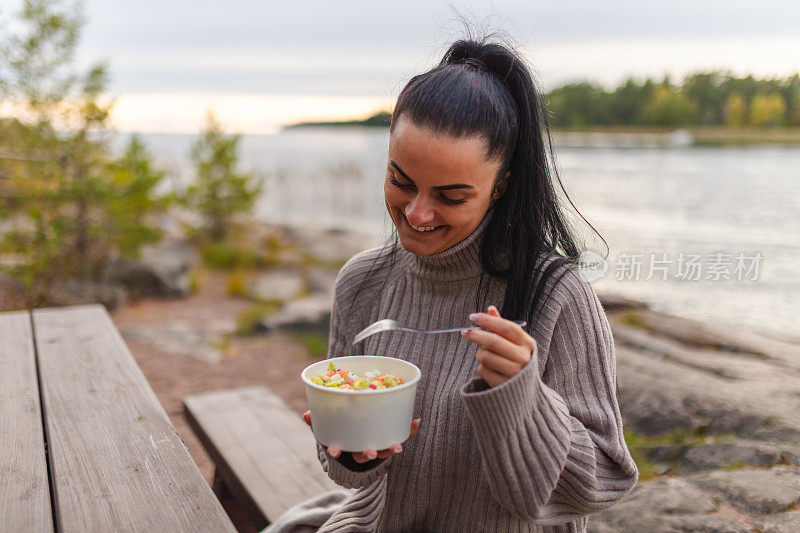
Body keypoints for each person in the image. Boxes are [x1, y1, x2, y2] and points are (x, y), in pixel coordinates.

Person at [266, 37, 638, 533]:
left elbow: (603, 482)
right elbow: (342, 470)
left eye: (451, 196)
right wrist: (355, 456)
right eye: (401, 181)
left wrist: (521, 396)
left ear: (499, 186)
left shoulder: (556, 294)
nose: (417, 213)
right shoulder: (362, 284)